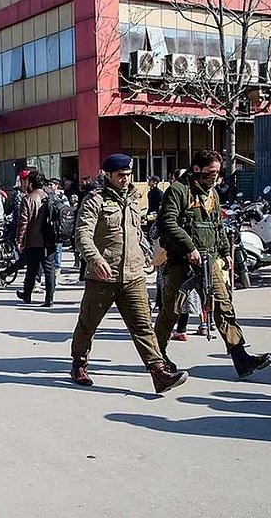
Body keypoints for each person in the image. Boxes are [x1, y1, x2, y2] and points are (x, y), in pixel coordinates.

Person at [71, 154, 189, 392]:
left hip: (133, 276)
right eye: (120, 175)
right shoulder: (95, 200)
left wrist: (147, 255)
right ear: (108, 175)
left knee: (143, 326)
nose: (125, 179)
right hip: (103, 277)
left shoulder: (135, 198)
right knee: (88, 324)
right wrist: (96, 259)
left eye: (128, 174)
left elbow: (136, 232)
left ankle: (159, 372)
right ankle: (79, 364)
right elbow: (82, 234)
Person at [155, 149, 271, 378]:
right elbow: (167, 222)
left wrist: (225, 251)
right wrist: (189, 247)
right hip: (181, 262)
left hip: (208, 261)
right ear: (196, 169)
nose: (215, 177)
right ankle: (156, 357)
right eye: (211, 172)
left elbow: (217, 225)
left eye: (218, 172)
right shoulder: (178, 191)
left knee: (223, 306)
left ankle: (240, 357)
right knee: (171, 311)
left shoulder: (212, 194)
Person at [15, 172, 56, 306]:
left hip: (33, 240)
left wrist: (20, 240)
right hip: (50, 239)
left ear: (31, 183)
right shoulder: (50, 196)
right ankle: (49, 298)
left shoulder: (28, 199)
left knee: (31, 269)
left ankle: (27, 294)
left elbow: (23, 222)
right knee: (49, 269)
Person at [0, 170, 32, 285]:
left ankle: (31, 281)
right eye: (27, 179)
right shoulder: (16, 195)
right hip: (19, 231)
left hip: (31, 231)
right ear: (22, 180)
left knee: (30, 259)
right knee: (26, 259)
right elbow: (13, 214)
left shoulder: (32, 193)